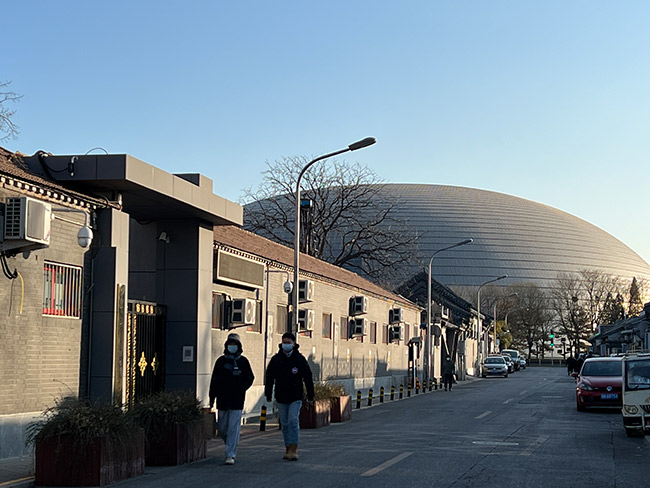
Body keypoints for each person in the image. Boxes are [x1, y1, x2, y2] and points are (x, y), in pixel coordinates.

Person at [265, 332, 314, 461]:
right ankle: (287, 447)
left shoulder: (299, 359)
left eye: (288, 342)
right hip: (281, 396)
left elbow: (307, 377)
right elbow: (269, 377)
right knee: (285, 423)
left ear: (293, 344)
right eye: (284, 342)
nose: (286, 345)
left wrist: (310, 395)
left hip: (296, 396)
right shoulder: (276, 359)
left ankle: (294, 448)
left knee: (293, 420)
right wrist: (268, 393)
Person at [209, 333, 254, 465]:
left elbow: (250, 378)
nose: (232, 347)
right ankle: (230, 443)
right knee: (222, 428)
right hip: (222, 400)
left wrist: (241, 388)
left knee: (233, 428)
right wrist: (212, 397)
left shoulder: (243, 362)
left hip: (237, 400)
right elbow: (214, 380)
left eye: (234, 344)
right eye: (230, 344)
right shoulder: (221, 362)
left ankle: (230, 454)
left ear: (239, 346)